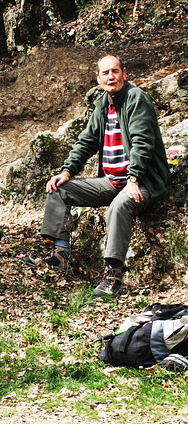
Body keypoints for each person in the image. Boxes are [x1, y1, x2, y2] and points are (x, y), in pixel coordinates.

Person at [25, 54, 171, 297]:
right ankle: (60, 256)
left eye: (115, 71)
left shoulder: (136, 99)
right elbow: (87, 141)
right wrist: (67, 170)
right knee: (60, 189)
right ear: (98, 77)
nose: (111, 76)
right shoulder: (103, 103)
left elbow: (142, 143)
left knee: (119, 206)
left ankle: (114, 276)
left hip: (144, 181)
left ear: (124, 73)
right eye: (106, 73)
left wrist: (134, 178)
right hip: (112, 180)